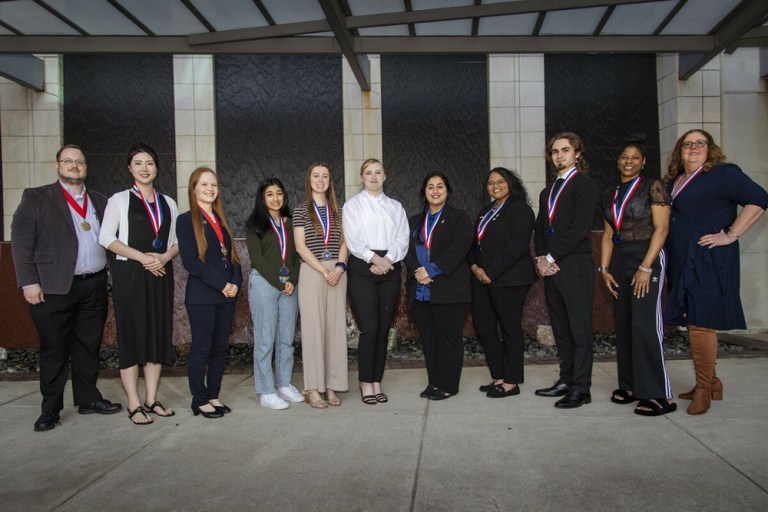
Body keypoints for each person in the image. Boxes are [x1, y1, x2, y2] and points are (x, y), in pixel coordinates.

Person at [11, 144, 122, 432]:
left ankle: (87, 399)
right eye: (68, 161)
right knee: (54, 350)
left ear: (86, 167)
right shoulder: (36, 197)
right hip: (53, 288)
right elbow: (22, 243)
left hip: (94, 284)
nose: (75, 166)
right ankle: (50, 409)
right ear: (58, 165)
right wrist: (29, 282)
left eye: (80, 162)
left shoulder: (100, 200)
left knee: (88, 345)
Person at [663, 129, 767, 415]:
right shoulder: (675, 180)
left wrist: (731, 234)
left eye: (700, 143)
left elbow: (759, 198)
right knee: (693, 319)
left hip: (707, 259)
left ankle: (704, 390)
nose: (693, 148)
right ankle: (713, 382)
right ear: (679, 151)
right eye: (687, 144)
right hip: (682, 259)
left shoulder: (723, 174)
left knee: (700, 323)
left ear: (710, 148)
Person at [100, 143, 179, 425]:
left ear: (157, 168)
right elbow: (106, 238)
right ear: (130, 168)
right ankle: (134, 403)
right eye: (138, 163)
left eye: (149, 163)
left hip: (160, 273)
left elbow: (175, 242)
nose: (144, 168)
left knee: (157, 333)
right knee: (132, 335)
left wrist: (165, 257)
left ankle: (151, 398)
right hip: (131, 275)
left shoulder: (168, 202)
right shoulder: (119, 200)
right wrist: (142, 258)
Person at [599, 137, 675, 416]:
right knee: (625, 324)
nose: (628, 161)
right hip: (619, 258)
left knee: (645, 325)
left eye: (634, 157)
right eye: (623, 157)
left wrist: (645, 267)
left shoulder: (653, 186)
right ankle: (630, 386)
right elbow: (608, 234)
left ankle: (658, 394)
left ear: (643, 162)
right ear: (618, 161)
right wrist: (604, 269)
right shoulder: (610, 192)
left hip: (647, 256)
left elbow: (662, 230)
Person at [534, 132, 598, 409]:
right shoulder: (547, 191)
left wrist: (550, 256)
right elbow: (539, 228)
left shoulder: (584, 185)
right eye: (555, 151)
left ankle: (582, 388)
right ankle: (566, 380)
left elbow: (579, 228)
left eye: (565, 150)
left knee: (579, 329)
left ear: (577, 154)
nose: (559, 155)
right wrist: (540, 258)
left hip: (574, 264)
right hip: (551, 267)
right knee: (560, 327)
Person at [176, 167, 242, 419]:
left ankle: (213, 395)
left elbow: (232, 256)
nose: (209, 189)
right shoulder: (185, 220)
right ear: (193, 189)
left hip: (226, 296)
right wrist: (222, 284)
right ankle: (199, 399)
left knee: (220, 347)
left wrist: (236, 281)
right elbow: (191, 262)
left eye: (213, 185)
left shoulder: (221, 219)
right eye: (203, 184)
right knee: (201, 348)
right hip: (203, 296)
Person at [343, 158, 409, 405]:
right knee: (370, 329)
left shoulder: (395, 207)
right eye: (368, 173)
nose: (373, 177)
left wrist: (387, 260)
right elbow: (353, 239)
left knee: (383, 331)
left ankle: (377, 381)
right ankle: (365, 381)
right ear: (361, 177)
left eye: (378, 172)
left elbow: (403, 237)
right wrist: (375, 259)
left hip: (390, 268)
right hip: (363, 268)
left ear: (385, 176)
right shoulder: (353, 206)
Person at [468, 168, 537, 399]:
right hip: (482, 279)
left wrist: (491, 271)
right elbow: (474, 244)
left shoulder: (521, 210)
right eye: (490, 183)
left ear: (511, 183)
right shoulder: (485, 211)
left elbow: (517, 246)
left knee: (510, 329)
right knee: (485, 327)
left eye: (500, 181)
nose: (495, 186)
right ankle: (498, 376)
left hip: (511, 279)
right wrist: (475, 267)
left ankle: (511, 381)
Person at [405, 173, 473, 400]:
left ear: (447, 190)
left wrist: (431, 270)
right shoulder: (414, 221)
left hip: (449, 290)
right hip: (421, 291)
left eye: (440, 186)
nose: (435, 191)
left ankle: (449, 385)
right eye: (430, 187)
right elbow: (406, 249)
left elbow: (459, 248)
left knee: (449, 339)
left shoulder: (459, 218)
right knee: (430, 340)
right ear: (424, 192)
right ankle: (434, 382)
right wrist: (418, 271)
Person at [294, 163, 349, 409]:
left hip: (337, 273)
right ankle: (313, 389)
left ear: (330, 181)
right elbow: (300, 246)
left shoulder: (339, 210)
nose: (320, 180)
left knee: (335, 330)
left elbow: (346, 242)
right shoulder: (300, 210)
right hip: (313, 271)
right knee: (313, 330)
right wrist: (323, 269)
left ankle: (331, 386)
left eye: (325, 176)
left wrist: (339, 267)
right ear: (309, 180)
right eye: (316, 176)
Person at [246, 178, 304, 410]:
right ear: (262, 198)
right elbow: (257, 259)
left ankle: (284, 384)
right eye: (270, 194)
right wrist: (279, 283)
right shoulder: (255, 224)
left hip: (289, 284)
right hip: (264, 284)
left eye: (279, 193)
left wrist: (292, 280)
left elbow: (299, 253)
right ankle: (266, 391)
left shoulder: (292, 223)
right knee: (265, 339)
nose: (275, 198)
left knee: (286, 339)